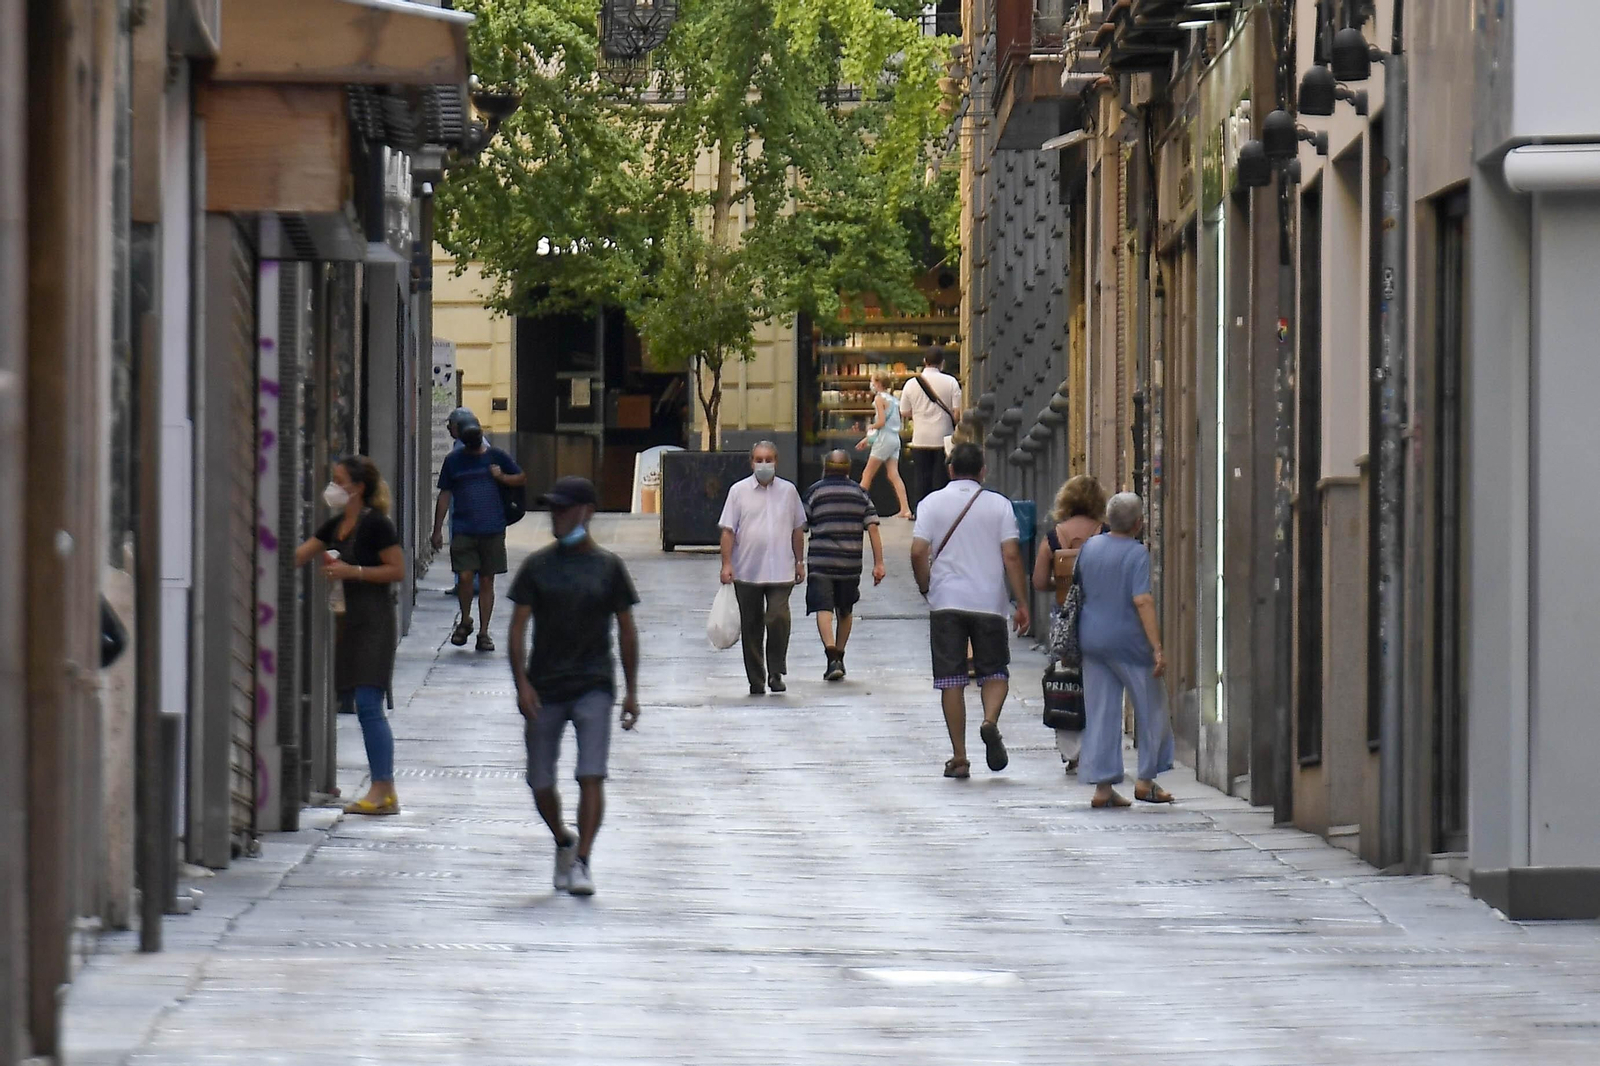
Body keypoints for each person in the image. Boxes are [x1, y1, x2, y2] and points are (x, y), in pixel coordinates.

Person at [507, 477, 641, 897]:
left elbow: (626, 629)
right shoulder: (537, 566)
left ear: (587, 512)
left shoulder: (608, 567)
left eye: (564, 508)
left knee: (591, 774)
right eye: (553, 508)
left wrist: (631, 691)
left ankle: (583, 859)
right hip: (545, 685)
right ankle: (563, 839)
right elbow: (517, 628)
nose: (557, 516)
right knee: (539, 780)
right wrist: (522, 684)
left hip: (593, 684)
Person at [910, 443, 1030, 779]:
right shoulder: (999, 505)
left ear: (950, 470)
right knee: (995, 672)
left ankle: (960, 756)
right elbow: (1011, 556)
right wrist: (1021, 602)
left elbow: (918, 551)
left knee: (951, 679)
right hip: (989, 601)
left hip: (946, 600)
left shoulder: (931, 503)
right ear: (983, 471)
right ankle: (989, 720)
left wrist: (926, 585)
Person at [294, 456, 406, 815]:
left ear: (357, 488)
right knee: (360, 703)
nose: (332, 487)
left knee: (370, 704)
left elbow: (397, 570)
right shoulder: (337, 525)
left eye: (338, 480)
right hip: (349, 623)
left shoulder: (377, 525)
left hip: (375, 622)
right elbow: (298, 555)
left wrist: (352, 571)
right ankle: (382, 789)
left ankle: (383, 789)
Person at [1076, 492, 1175, 808]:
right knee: (1152, 706)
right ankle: (1145, 780)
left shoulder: (1090, 547)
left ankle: (1103, 788)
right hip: (1129, 642)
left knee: (1101, 711)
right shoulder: (1137, 554)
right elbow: (1142, 600)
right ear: (1139, 523)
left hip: (1092, 638)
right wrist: (1157, 647)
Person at [1031, 474, 1109, 776]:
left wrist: (1063, 585)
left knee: (1066, 682)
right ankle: (1097, 745)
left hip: (1065, 619)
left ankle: (1072, 750)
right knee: (1099, 683)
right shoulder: (1106, 533)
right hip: (1099, 615)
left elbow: (1039, 581)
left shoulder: (1054, 537)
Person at [718, 441, 807, 696]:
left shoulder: (788, 491)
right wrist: (726, 564)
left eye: (769, 459)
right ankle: (756, 678)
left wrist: (799, 561)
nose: (764, 464)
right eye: (759, 459)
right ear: (752, 462)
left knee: (778, 617)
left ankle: (776, 671)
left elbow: (797, 529)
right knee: (751, 625)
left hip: (781, 568)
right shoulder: (738, 492)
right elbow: (728, 530)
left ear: (776, 461)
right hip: (747, 569)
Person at [431, 415, 525, 652]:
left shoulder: (497, 456)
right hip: (464, 529)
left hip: (492, 528)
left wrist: (501, 477)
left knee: (486, 580)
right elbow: (445, 494)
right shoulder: (453, 461)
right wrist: (437, 529)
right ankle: (465, 619)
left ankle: (484, 632)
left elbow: (520, 477)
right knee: (464, 577)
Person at [804, 450, 887, 681]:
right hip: (850, 563)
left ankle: (831, 657)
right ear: (849, 469)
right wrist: (879, 563)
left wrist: (797, 560)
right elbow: (872, 528)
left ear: (825, 467)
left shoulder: (815, 492)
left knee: (823, 609)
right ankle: (839, 655)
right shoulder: (860, 493)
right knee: (845, 609)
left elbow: (801, 525)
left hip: (821, 562)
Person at [899, 346, 962, 512]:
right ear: (943, 363)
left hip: (920, 438)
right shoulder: (951, 382)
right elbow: (957, 413)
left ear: (924, 361)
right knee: (941, 478)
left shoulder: (911, 384)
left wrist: (919, 414)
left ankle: (921, 511)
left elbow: (904, 411)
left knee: (921, 477)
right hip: (944, 437)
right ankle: (940, 511)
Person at [855, 371, 914, 519]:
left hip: (884, 439)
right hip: (894, 438)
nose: (871, 384)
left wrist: (871, 426)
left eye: (872, 381)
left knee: (867, 473)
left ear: (877, 383)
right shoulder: (894, 400)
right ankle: (905, 509)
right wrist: (867, 440)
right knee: (893, 474)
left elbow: (881, 422)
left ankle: (857, 507)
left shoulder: (879, 399)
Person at [443, 407, 486, 600]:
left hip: (465, 508)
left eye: (451, 425)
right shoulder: (476, 444)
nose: (449, 429)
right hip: (475, 509)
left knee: (463, 547)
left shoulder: (462, 448)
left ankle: (466, 583)